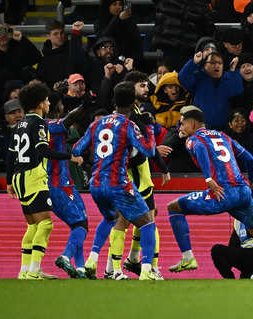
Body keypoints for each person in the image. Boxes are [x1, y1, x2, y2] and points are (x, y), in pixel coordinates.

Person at [166, 109, 253, 273]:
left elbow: (200, 148)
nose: (180, 128)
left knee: (173, 207)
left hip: (222, 193)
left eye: (182, 124)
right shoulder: (223, 135)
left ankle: (188, 258)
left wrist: (208, 179)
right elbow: (248, 157)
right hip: (243, 191)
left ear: (192, 123)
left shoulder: (193, 139)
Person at [71, 81, 158, 280]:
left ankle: (92, 260)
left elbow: (76, 149)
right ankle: (146, 271)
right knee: (147, 223)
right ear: (132, 103)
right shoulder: (129, 125)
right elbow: (149, 150)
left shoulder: (97, 123)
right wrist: (150, 127)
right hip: (117, 183)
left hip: (95, 184)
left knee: (111, 218)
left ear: (114, 101)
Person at [6, 82, 83, 280]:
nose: (49, 103)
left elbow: (10, 156)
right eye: (47, 100)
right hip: (34, 176)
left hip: (18, 177)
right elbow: (43, 151)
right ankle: (34, 270)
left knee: (32, 226)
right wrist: (69, 156)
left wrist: (9, 182)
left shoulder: (19, 124)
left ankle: (24, 271)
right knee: (45, 224)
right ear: (40, 103)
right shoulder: (39, 123)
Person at [103, 72, 171, 280]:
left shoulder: (138, 112)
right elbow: (139, 149)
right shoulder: (132, 117)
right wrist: (159, 163)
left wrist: (160, 165)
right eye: (142, 85)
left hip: (142, 179)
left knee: (146, 219)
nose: (147, 89)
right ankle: (126, 268)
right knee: (132, 222)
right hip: (130, 180)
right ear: (131, 89)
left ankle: (128, 261)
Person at [45, 94, 88, 279]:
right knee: (80, 223)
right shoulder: (52, 125)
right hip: (59, 184)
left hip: (61, 184)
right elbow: (70, 119)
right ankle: (65, 256)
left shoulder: (38, 127)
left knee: (79, 223)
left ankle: (80, 269)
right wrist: (85, 104)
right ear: (58, 106)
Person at [210, 184, 253, 279]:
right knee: (217, 250)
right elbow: (233, 246)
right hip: (246, 256)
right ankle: (231, 281)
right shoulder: (239, 219)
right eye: (251, 199)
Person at [177, 49, 243, 130]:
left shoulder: (227, 78)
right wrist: (193, 62)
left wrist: (233, 71)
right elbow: (182, 78)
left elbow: (237, 90)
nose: (217, 65)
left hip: (222, 130)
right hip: (200, 128)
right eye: (212, 63)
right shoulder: (199, 78)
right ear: (205, 65)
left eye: (220, 63)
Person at [37, 21, 74, 89]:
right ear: (48, 36)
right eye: (55, 34)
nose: (59, 36)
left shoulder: (71, 52)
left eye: (61, 33)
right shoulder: (45, 59)